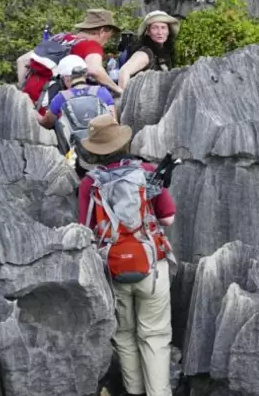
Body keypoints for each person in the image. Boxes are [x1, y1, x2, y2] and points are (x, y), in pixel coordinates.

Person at [78, 115, 176, 396]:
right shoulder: (146, 171)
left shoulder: (89, 183)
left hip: (114, 268)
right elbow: (168, 218)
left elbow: (85, 229)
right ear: (123, 142)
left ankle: (134, 392)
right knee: (155, 335)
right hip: (152, 264)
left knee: (123, 335)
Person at [18, 9, 123, 113]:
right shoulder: (91, 45)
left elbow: (22, 60)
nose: (106, 42)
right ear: (102, 31)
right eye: (109, 37)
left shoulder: (59, 38)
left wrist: (25, 92)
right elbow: (94, 70)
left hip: (30, 105)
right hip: (55, 109)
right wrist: (117, 89)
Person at [117, 11, 180, 91]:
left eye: (163, 27)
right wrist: (124, 100)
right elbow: (124, 71)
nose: (160, 32)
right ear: (148, 32)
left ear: (168, 31)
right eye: (155, 28)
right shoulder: (145, 53)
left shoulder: (165, 52)